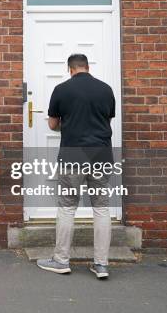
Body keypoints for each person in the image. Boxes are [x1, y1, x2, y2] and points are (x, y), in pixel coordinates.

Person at [36, 53, 116, 279]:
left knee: (67, 207)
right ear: (87, 67)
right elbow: (106, 121)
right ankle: (101, 264)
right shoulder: (106, 89)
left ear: (69, 69)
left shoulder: (62, 90)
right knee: (101, 208)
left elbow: (53, 124)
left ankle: (61, 260)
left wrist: (67, 124)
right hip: (101, 155)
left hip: (73, 156)